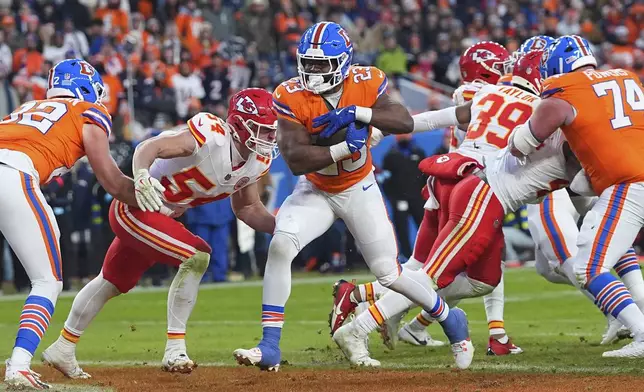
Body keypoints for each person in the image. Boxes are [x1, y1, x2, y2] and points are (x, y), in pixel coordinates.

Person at [233, 21, 473, 371]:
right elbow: (297, 160)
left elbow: (403, 122)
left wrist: (359, 113)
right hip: (315, 188)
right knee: (281, 245)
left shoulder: (366, 81)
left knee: (388, 273)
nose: (312, 71)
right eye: (308, 63)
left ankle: (451, 320)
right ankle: (270, 345)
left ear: (343, 62)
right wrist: (345, 146)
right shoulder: (289, 95)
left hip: (359, 188)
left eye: (320, 64)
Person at [42, 88, 278, 378]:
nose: (268, 137)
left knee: (112, 281)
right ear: (240, 125)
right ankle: (174, 348)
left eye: (271, 130)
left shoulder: (257, 161)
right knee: (197, 256)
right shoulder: (211, 135)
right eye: (261, 129)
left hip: (159, 216)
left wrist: (285, 229)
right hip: (137, 205)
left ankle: (63, 346)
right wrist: (141, 175)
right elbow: (150, 147)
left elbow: (249, 208)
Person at [330, 50, 546, 365]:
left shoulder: (490, 92)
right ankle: (362, 323)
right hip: (475, 186)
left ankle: (380, 305)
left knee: (474, 276)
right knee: (432, 273)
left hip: (448, 177)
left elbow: (434, 118)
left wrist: (380, 128)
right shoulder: (541, 107)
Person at [0, 59, 140, 389]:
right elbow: (111, 179)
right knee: (47, 280)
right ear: (85, 87)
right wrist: (150, 199)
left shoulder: (27, 106)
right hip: (13, 174)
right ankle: (19, 365)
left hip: (10, 166)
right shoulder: (88, 111)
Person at [509, 35, 644, 358]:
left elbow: (525, 142)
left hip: (630, 183)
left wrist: (518, 137)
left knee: (588, 268)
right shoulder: (627, 77)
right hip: (631, 177)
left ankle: (640, 333)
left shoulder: (563, 87)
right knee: (604, 250)